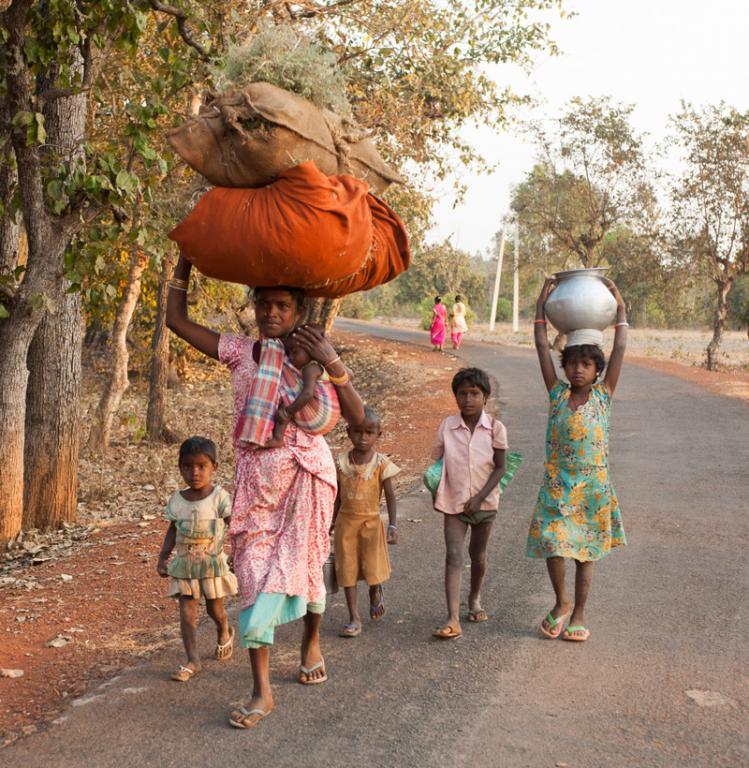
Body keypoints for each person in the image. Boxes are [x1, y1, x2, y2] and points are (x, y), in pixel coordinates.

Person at [166, 254, 365, 729]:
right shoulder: (239, 352)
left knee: (307, 567)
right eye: (263, 305)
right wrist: (185, 261)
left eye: (281, 306)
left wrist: (331, 359)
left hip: (306, 480)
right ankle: (262, 691)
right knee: (254, 576)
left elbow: (358, 419)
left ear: (298, 313)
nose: (270, 313)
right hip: (256, 484)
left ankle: (310, 642)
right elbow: (176, 320)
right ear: (254, 309)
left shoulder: (316, 358)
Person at [527, 277, 627, 643]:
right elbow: (540, 347)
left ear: (597, 370)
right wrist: (540, 308)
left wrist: (621, 312)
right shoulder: (556, 394)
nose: (578, 370)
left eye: (586, 364)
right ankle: (562, 601)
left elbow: (619, 350)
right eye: (572, 363)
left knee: (585, 554)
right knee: (554, 545)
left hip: (593, 489)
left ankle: (580, 614)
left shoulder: (604, 396)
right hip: (558, 484)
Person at [430, 368, 508, 639]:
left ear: (485, 397)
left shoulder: (495, 428)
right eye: (462, 394)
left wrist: (478, 498)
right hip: (453, 502)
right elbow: (438, 464)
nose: (468, 399)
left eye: (474, 393)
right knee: (453, 556)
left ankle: (474, 598)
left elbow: (500, 468)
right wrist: (435, 492)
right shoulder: (447, 427)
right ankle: (452, 618)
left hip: (485, 505)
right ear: (455, 397)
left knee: (478, 555)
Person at [156, 436, 238, 682]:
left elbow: (233, 525)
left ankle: (224, 628)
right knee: (187, 613)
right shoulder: (177, 500)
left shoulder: (219, 498)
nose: (195, 472)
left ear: (214, 467)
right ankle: (193, 660)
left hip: (212, 563)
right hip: (185, 564)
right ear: (180, 467)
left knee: (215, 608)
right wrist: (163, 557)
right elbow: (172, 530)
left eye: (202, 466)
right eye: (188, 466)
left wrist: (237, 552)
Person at [331, 406, 399, 638]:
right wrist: (329, 523)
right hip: (345, 526)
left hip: (371, 524)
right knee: (347, 571)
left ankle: (375, 589)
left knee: (372, 568)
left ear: (378, 435)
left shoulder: (381, 464)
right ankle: (353, 618)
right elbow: (337, 496)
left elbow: (390, 495)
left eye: (369, 433)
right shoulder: (340, 462)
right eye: (358, 432)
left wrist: (392, 525)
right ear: (348, 432)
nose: (363, 438)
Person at [263, 331, 324, 449]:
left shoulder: (311, 368)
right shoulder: (313, 367)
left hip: (317, 416)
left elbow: (307, 394)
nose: (291, 357)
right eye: (289, 353)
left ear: (310, 350)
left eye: (295, 352)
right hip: (318, 420)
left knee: (284, 402)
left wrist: (287, 412)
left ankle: (278, 438)